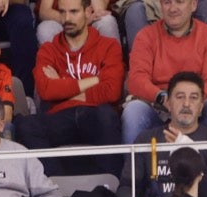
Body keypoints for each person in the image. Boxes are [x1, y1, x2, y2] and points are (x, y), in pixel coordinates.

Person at [121, 0, 207, 157]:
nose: (172, 8)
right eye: (167, 3)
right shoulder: (145, 36)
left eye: (179, 2)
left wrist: (189, 99)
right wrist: (162, 97)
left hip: (199, 103)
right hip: (158, 103)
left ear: (193, 5)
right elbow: (136, 79)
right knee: (133, 112)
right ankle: (133, 180)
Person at [14, 0, 125, 170]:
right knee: (25, 125)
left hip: (94, 114)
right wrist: (94, 80)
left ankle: (110, 189)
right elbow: (46, 90)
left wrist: (62, 86)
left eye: (74, 12)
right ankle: (55, 186)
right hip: (60, 117)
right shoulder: (48, 50)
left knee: (107, 116)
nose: (67, 18)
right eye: (62, 12)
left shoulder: (109, 46)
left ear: (88, 12)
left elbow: (112, 91)